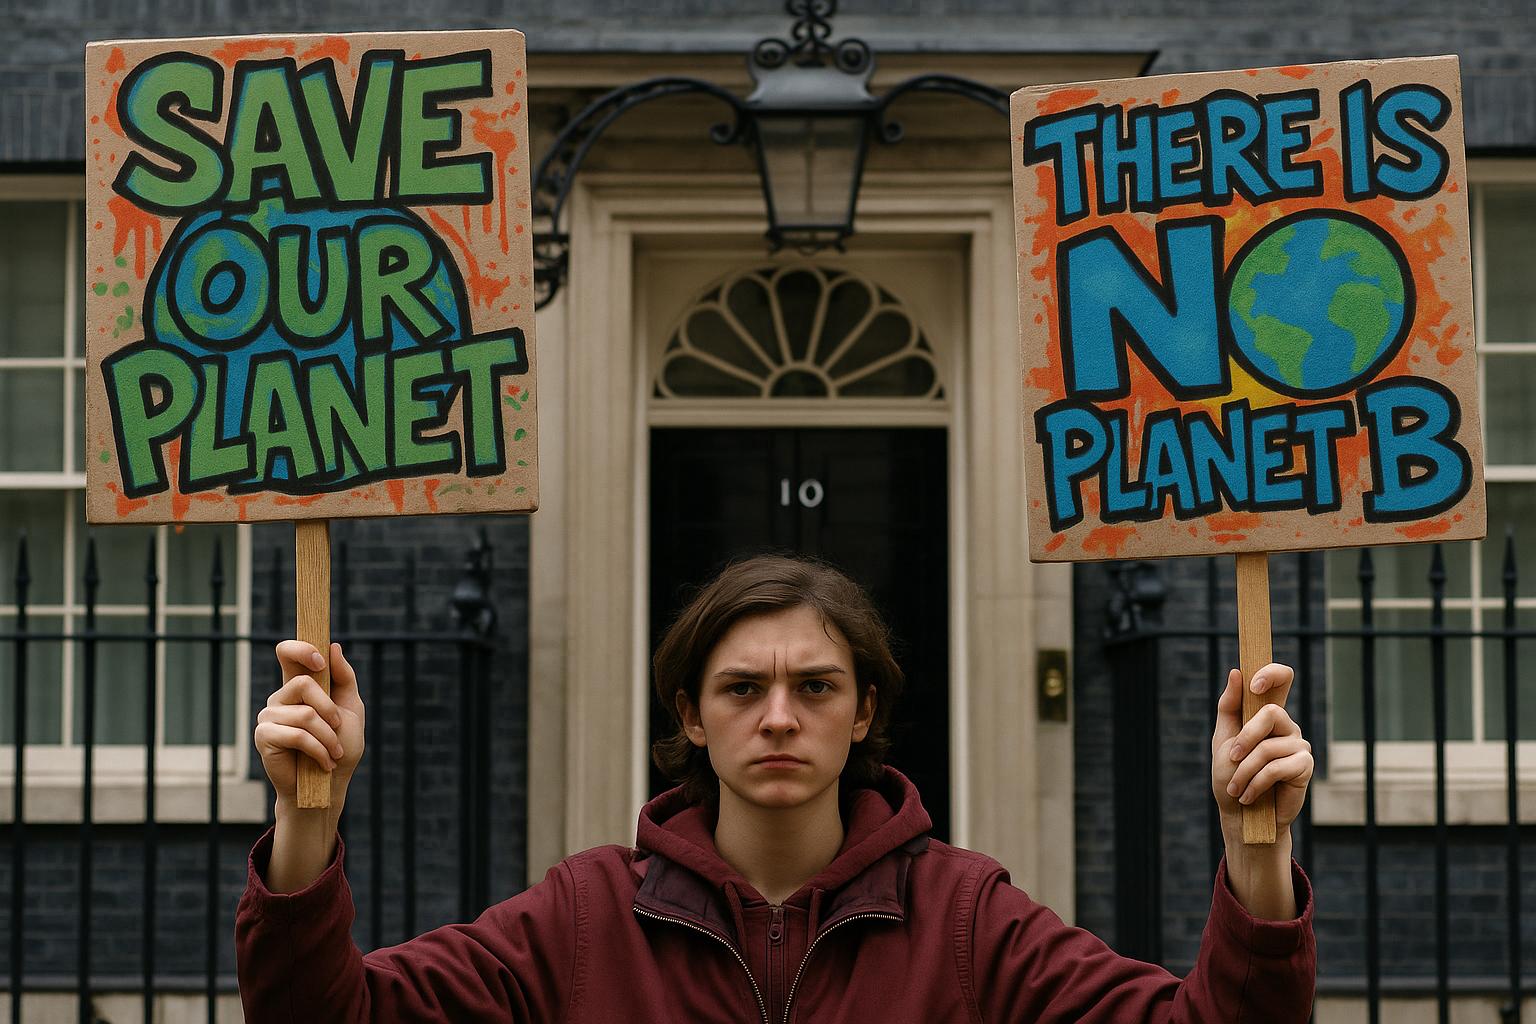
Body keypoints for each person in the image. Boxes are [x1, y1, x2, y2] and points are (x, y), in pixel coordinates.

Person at [236, 553, 1316, 1022]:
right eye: (742, 688)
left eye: (817, 686)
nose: (781, 716)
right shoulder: (583, 917)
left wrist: (1253, 854)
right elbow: (324, 1017)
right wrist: (304, 822)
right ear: (691, 716)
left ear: (865, 711)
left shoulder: (966, 918)